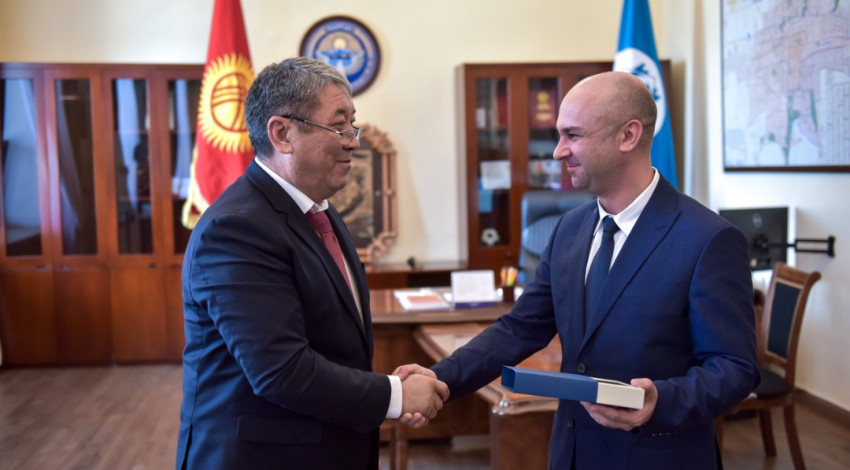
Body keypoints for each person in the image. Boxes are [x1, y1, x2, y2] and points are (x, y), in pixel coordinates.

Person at [398, 71, 759, 469]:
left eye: (573, 135)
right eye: (558, 135)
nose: (558, 152)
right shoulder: (569, 229)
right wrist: (440, 378)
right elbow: (521, 328)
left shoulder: (708, 239)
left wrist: (661, 400)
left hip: (656, 457)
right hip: (571, 453)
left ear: (628, 135)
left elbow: (734, 368)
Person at [176, 57, 448, 470]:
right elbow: (281, 371)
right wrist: (395, 395)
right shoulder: (236, 229)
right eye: (339, 126)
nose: (353, 141)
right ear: (282, 133)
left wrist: (385, 388)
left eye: (352, 124)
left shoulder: (318, 209)